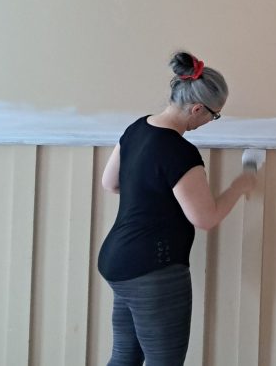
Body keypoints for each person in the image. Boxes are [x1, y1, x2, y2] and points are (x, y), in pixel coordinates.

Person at [97, 51, 257, 366]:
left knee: (125, 356)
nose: (210, 121)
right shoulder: (179, 152)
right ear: (197, 108)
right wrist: (240, 185)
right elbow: (206, 218)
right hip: (153, 270)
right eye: (214, 115)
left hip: (117, 260)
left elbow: (110, 183)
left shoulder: (136, 129)